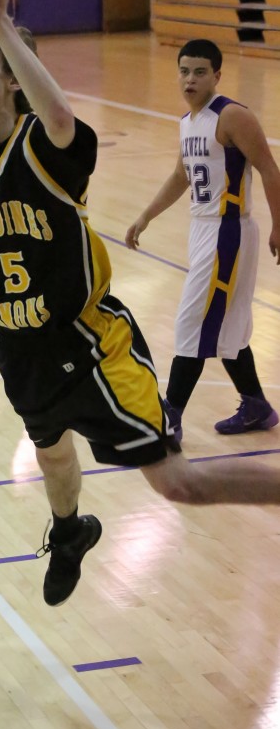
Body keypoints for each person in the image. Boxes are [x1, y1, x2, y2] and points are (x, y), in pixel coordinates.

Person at [0, 0, 280, 608]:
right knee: (51, 455)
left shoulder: (47, 146)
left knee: (179, 485)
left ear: (13, 78)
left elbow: (58, 117)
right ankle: (69, 528)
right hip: (18, 346)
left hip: (93, 345)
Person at [126, 39, 280, 439]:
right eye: (184, 71)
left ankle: (169, 416)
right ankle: (257, 406)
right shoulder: (188, 122)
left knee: (191, 322)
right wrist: (145, 216)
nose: (190, 79)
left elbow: (269, 169)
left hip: (228, 230)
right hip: (204, 229)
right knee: (227, 326)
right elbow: (181, 177)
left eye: (199, 72)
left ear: (217, 75)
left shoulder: (231, 116)